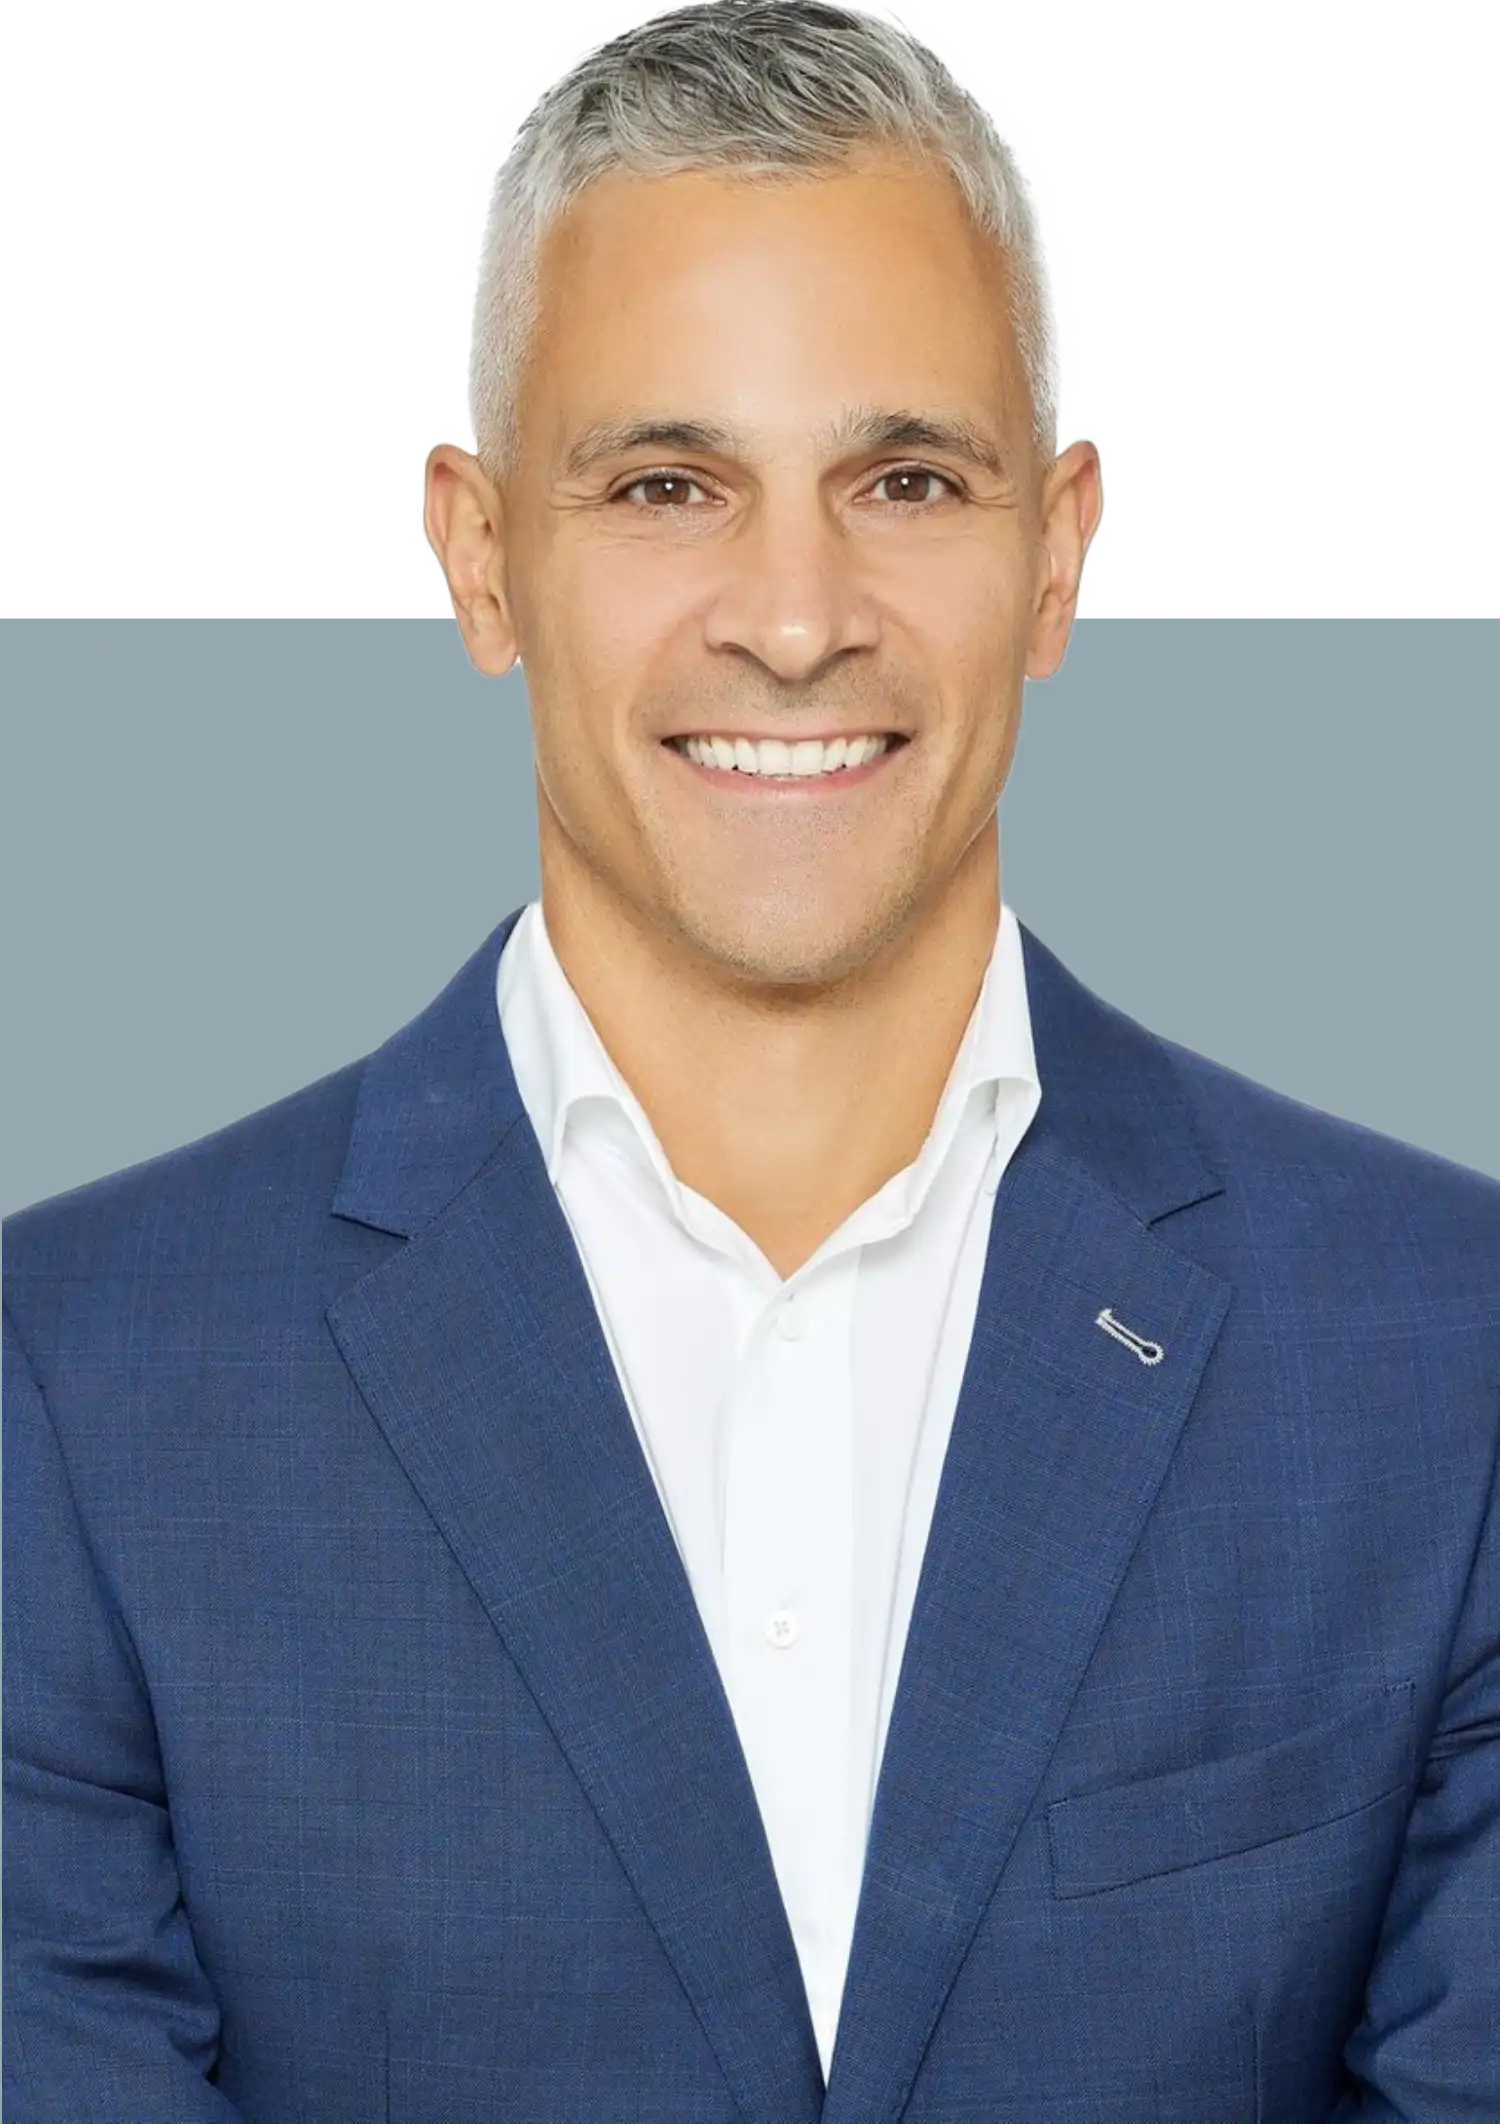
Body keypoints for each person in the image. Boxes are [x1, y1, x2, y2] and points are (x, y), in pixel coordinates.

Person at [5, 0, 1497, 2116]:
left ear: (1060, 547)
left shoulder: (1447, 1356)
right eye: (666, 485)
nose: (795, 619)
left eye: (906, 480)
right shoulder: (72, 1390)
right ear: (478, 556)